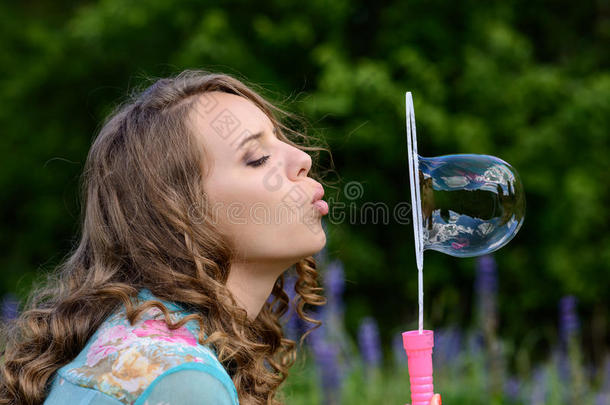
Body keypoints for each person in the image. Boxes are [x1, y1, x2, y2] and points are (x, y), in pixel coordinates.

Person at [0, 69, 442, 405]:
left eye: (283, 140)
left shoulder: (136, 345)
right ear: (180, 213)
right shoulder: (180, 380)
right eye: (257, 158)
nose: (303, 159)